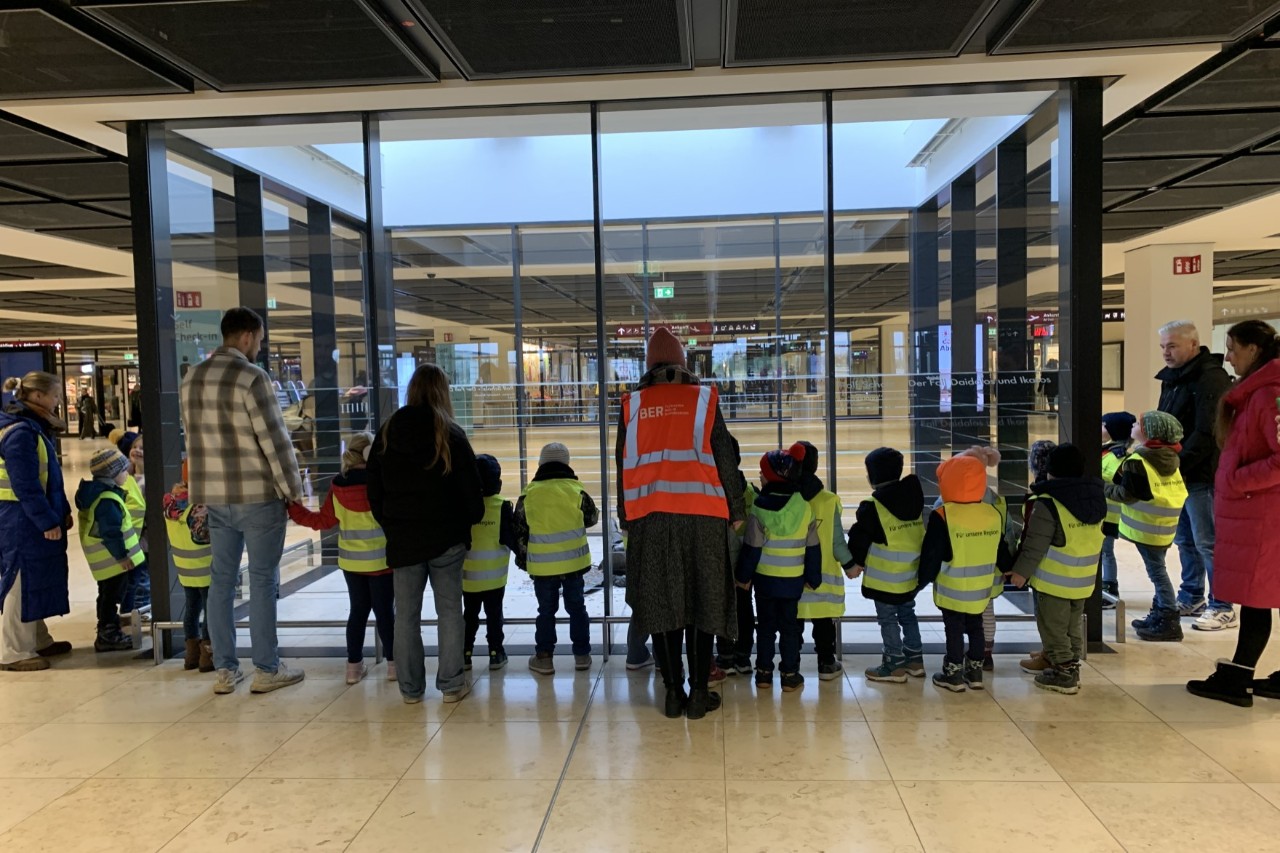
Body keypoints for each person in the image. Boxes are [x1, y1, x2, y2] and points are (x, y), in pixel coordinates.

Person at [618, 328, 746, 720]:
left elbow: (622, 465)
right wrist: (737, 508)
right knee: (702, 602)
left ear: (649, 365)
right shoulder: (704, 399)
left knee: (662, 604)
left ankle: (673, 693)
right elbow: (724, 458)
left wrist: (626, 517)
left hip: (650, 518)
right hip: (703, 516)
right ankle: (698, 695)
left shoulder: (632, 405)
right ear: (682, 362)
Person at [181, 307, 306, 696]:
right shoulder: (252, 377)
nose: (261, 346)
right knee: (263, 581)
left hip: (214, 497)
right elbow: (275, 440)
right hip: (257, 496)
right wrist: (293, 491)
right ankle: (267, 668)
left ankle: (224, 669)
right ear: (248, 336)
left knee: (221, 581)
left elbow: (193, 440)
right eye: (261, 338)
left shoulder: (192, 379)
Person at [367, 363, 484, 705]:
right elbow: (471, 494)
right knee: (450, 612)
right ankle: (450, 684)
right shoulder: (452, 434)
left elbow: (375, 489)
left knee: (406, 616)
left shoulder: (388, 431)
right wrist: (465, 526)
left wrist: (390, 523)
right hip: (446, 539)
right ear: (443, 392)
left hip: (403, 540)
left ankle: (410, 689)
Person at [1188, 321, 1280, 706]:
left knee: (1256, 596)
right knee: (1257, 594)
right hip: (1254, 512)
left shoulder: (1267, 395)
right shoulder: (1255, 394)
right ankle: (1243, 674)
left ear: (1254, 350)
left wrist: (1239, 480)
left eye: (1232, 348)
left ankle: (1238, 677)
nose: (1227, 356)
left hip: (1261, 513)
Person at [288, 433, 394, 686]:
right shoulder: (381, 484)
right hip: (382, 563)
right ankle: (394, 666)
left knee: (357, 612)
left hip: (351, 564)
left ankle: (353, 669)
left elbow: (322, 521)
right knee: (385, 614)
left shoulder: (338, 486)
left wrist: (293, 507)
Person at [1007, 444, 1107, 695]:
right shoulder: (1095, 497)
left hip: (1053, 581)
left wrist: (1020, 573)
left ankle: (1064, 672)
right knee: (1073, 625)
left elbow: (1034, 544)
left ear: (1050, 471)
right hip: (1083, 579)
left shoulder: (1048, 503)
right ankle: (1065, 662)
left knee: (1052, 625)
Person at [1155, 320, 1233, 629]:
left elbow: (1206, 431)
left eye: (1172, 346)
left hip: (1201, 473)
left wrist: (1177, 463)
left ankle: (1222, 603)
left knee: (1208, 541)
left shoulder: (1210, 380)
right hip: (1181, 474)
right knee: (1185, 540)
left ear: (1192, 344)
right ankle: (1192, 594)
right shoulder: (1172, 379)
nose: (1166, 352)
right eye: (1162, 347)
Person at [0, 373, 72, 671]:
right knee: (20, 577)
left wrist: (62, 510)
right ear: (39, 397)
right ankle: (13, 651)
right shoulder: (20, 433)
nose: (58, 402)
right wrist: (45, 521)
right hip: (19, 520)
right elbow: (26, 484)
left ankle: (37, 638)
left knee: (37, 575)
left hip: (27, 516)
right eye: (55, 396)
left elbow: (49, 478)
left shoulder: (33, 428)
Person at [736, 443, 822, 694]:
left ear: (772, 477)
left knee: (764, 627)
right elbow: (813, 548)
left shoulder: (759, 508)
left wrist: (742, 577)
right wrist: (812, 577)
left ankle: (763, 673)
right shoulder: (805, 507)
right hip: (793, 581)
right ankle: (790, 674)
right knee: (790, 628)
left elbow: (751, 549)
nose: (760, 477)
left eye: (762, 473)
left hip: (765, 582)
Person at [919, 454, 1006, 693]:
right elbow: (1001, 550)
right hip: (981, 589)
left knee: (954, 628)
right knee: (976, 626)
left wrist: (920, 581)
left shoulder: (943, 515)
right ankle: (975, 671)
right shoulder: (991, 514)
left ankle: (953, 672)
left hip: (952, 588)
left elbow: (932, 554)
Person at [517, 442, 597, 675]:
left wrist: (523, 560)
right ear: (567, 464)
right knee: (577, 608)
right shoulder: (576, 490)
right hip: (574, 564)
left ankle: (544, 657)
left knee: (546, 611)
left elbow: (519, 527)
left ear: (541, 463)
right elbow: (591, 518)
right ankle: (582, 655)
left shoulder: (529, 493)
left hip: (542, 567)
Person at [847, 446, 925, 683]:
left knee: (888, 618)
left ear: (873, 476)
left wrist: (853, 563)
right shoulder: (914, 497)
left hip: (885, 579)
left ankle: (894, 664)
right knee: (908, 614)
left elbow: (859, 539)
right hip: (910, 575)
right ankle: (915, 659)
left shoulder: (873, 506)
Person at [1111, 410, 1188, 643]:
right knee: (1159, 568)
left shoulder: (1138, 461)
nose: (1133, 425)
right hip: (1165, 526)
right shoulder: (1169, 457)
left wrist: (1102, 489)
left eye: (1138, 423)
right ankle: (1159, 613)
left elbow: (1128, 494)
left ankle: (1168, 618)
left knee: (1157, 572)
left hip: (1147, 528)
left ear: (1148, 432)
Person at [795, 441, 856, 681]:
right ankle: (826, 663)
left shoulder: (788, 497)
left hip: (792, 578)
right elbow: (837, 541)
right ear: (816, 464)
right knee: (823, 626)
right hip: (823, 580)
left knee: (793, 625)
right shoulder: (829, 501)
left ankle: (792, 663)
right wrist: (850, 565)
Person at [75, 448, 143, 653]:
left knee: (106, 595)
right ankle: (108, 634)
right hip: (113, 562)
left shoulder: (98, 493)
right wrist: (122, 556)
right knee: (111, 597)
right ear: (112, 474)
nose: (127, 474)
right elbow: (110, 532)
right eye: (124, 471)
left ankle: (107, 630)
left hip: (106, 563)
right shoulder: (107, 500)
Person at [462, 453, 514, 672]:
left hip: (468, 579)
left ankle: (465, 654)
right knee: (494, 616)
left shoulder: (463, 507)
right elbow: (511, 539)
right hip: (495, 578)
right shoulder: (502, 506)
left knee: (469, 617)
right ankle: (495, 653)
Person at [164, 462, 212, 672]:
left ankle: (191, 654)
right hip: (206, 568)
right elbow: (207, 536)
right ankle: (208, 655)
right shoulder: (199, 509)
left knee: (191, 609)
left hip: (184, 568)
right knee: (211, 611)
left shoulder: (171, 503)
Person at [715, 435, 756, 677]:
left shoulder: (712, 494)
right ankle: (743, 657)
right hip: (744, 565)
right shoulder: (751, 492)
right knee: (743, 608)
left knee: (721, 608)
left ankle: (726, 656)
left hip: (720, 563)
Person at [111, 429, 150, 620]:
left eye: (143, 448)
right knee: (136, 579)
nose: (137, 450)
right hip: (131, 540)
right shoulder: (125, 478)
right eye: (135, 447)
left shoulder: (151, 480)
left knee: (141, 578)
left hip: (145, 539)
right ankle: (133, 612)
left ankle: (137, 610)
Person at [1100, 412, 1136, 602]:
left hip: (1109, 515)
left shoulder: (1118, 458)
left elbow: (1122, 489)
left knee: (1106, 551)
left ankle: (1110, 588)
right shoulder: (1106, 451)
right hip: (1101, 513)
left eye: (1103, 425)